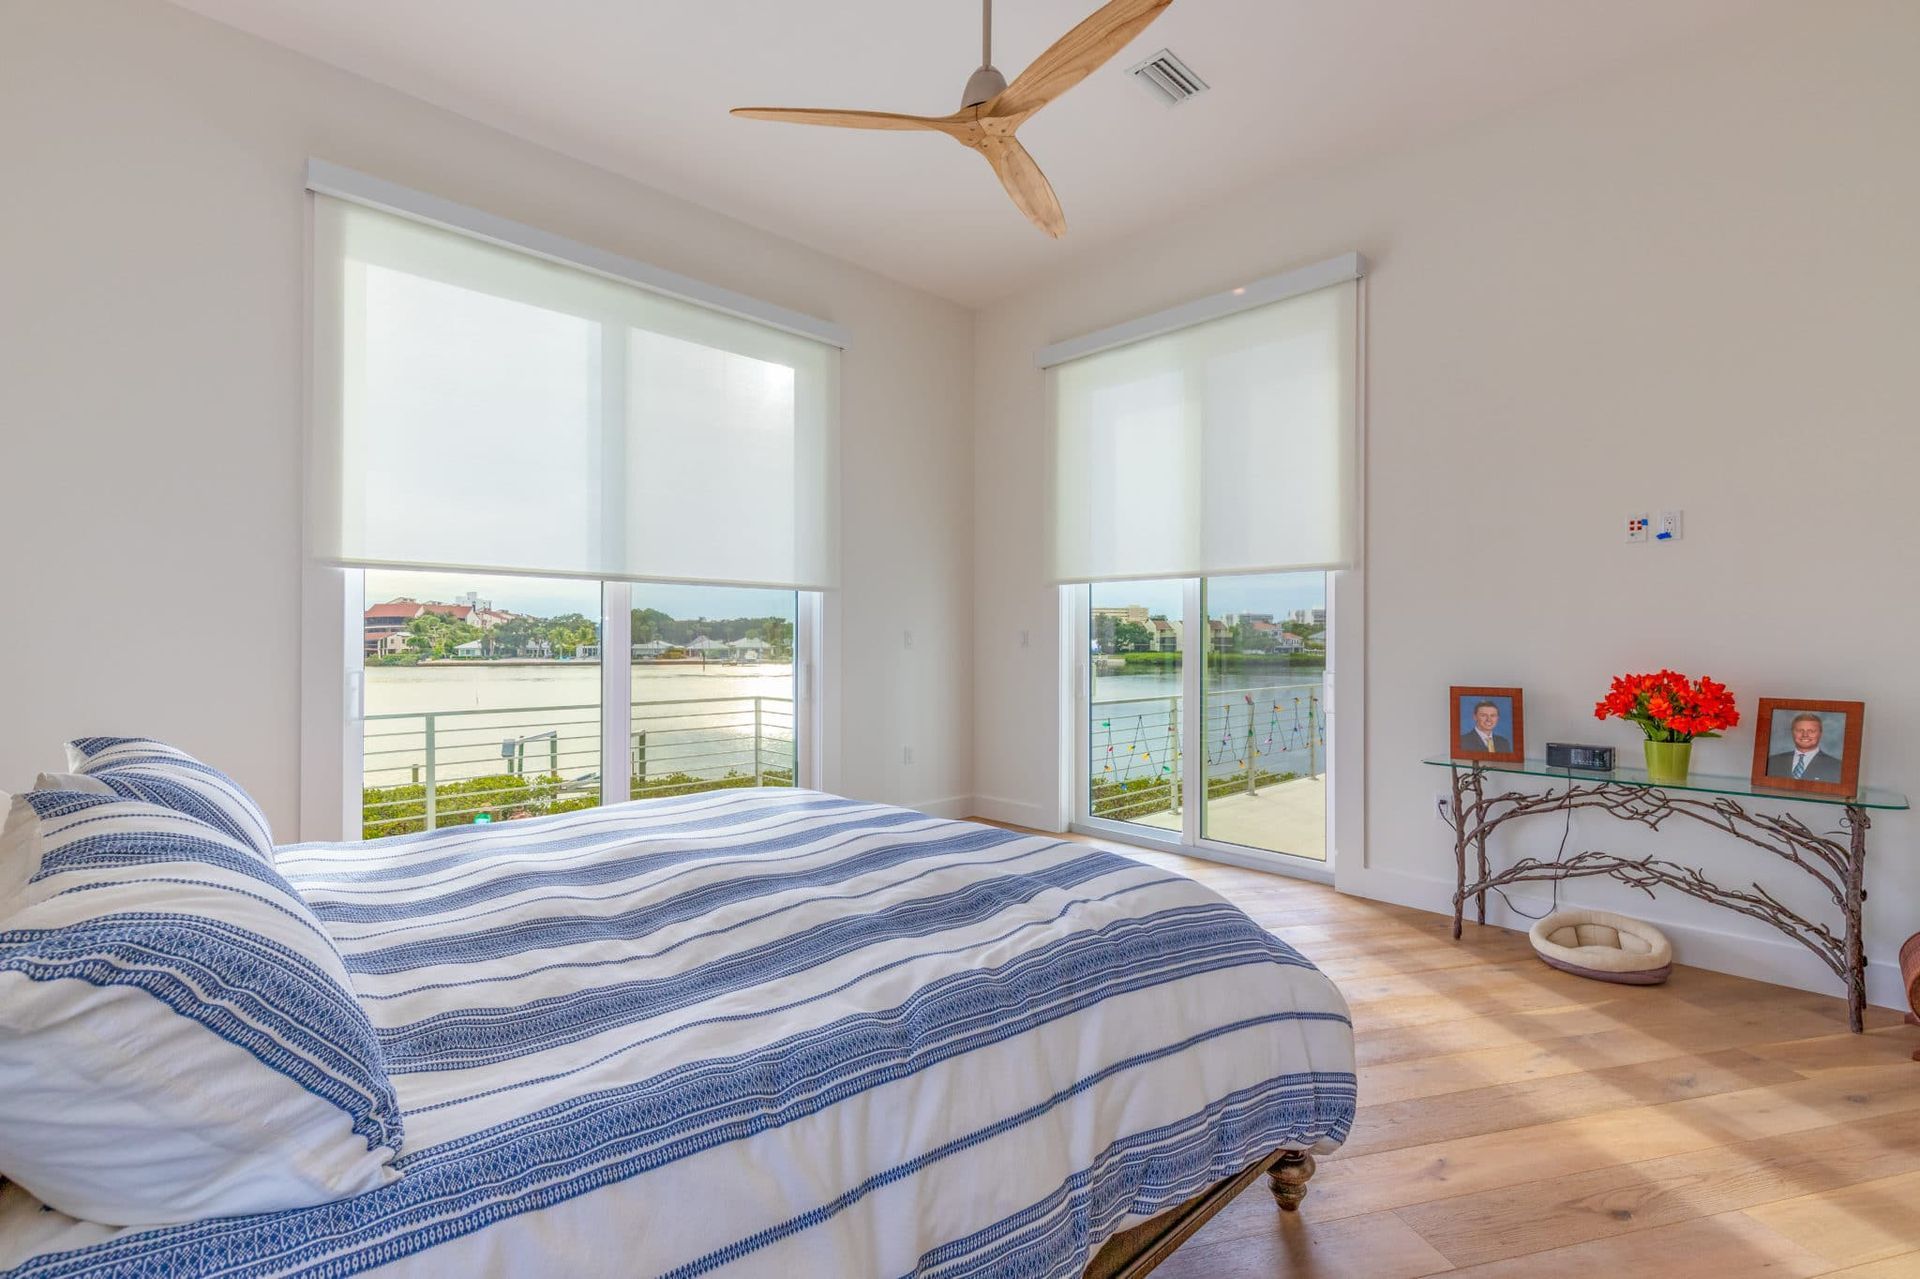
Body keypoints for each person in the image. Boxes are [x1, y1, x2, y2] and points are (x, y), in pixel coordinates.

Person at [1767, 712, 1842, 782]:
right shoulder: (1772, 761)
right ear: (1792, 732)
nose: (1805, 735)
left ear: (1820, 733)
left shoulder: (1837, 767)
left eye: (1811, 731)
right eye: (1800, 730)